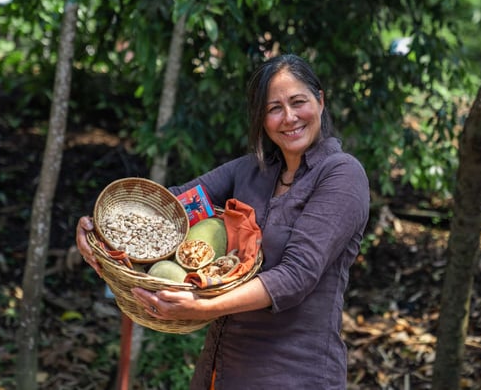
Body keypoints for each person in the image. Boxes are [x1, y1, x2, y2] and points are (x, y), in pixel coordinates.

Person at [75, 54, 370, 389]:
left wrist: (203, 306)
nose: (289, 118)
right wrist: (94, 228)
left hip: (294, 373)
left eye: (298, 102)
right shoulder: (251, 170)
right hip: (221, 369)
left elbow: (297, 275)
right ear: (261, 118)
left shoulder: (342, 174)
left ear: (320, 100)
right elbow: (168, 206)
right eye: (274, 108)